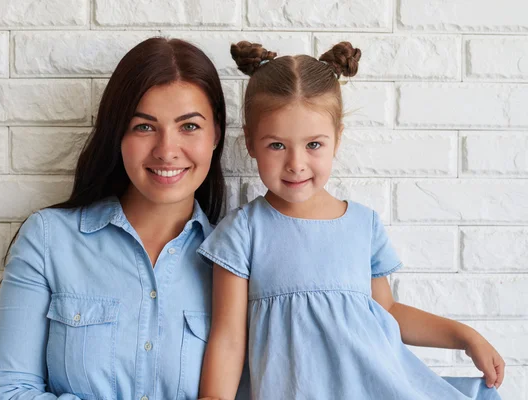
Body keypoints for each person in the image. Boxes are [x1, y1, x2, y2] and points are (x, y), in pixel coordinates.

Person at [196, 40, 505, 400]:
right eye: (277, 145)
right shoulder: (244, 231)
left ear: (337, 139)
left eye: (314, 145)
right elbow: (229, 339)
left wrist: (464, 336)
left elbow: (387, 310)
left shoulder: (362, 224)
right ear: (249, 142)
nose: (296, 163)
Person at [0, 37, 248, 400]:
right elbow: (9, 392)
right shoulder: (48, 240)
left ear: (216, 133)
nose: (167, 150)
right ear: (117, 134)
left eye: (189, 126)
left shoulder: (237, 263)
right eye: (144, 126)